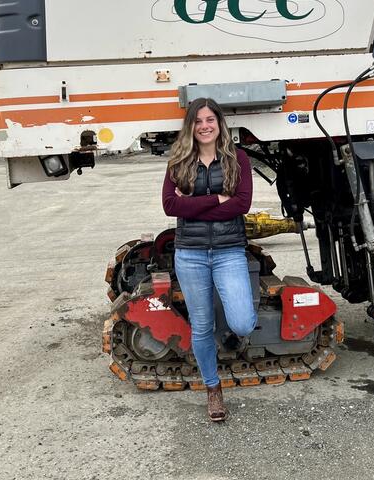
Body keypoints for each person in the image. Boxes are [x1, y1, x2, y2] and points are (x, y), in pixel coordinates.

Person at [162, 97, 257, 422]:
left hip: (229, 251)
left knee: (242, 321)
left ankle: (224, 349)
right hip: (190, 254)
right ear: (191, 126)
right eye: (198, 120)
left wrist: (193, 204)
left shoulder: (238, 159)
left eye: (210, 120)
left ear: (219, 124)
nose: (204, 126)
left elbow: (242, 204)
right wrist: (217, 198)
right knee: (202, 325)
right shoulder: (178, 161)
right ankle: (212, 388)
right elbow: (170, 207)